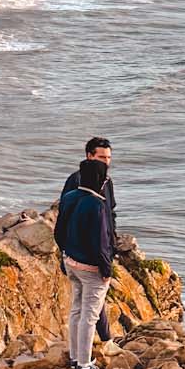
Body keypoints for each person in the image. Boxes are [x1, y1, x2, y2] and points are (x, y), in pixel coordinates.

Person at [54, 157, 114, 369]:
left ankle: (74, 358)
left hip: (71, 262)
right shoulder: (97, 204)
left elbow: (58, 232)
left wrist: (66, 253)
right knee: (90, 316)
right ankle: (84, 366)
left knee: (76, 310)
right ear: (100, 179)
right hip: (91, 269)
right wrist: (106, 270)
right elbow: (101, 243)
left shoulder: (69, 197)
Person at [65, 137, 116, 342]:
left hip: (103, 246)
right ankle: (104, 342)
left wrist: (112, 241)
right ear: (89, 156)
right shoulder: (77, 181)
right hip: (85, 252)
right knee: (90, 305)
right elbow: (66, 213)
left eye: (109, 157)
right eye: (101, 157)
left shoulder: (107, 181)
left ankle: (93, 347)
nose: (106, 161)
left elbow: (111, 212)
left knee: (90, 303)